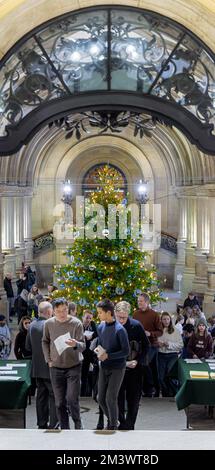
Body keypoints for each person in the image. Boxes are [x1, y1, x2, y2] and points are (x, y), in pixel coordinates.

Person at [42, 297, 85, 430]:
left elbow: (83, 345)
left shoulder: (76, 323)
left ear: (68, 309)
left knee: (72, 399)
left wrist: (75, 344)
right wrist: (48, 360)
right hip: (55, 367)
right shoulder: (48, 324)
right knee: (59, 402)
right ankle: (65, 428)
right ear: (53, 311)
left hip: (74, 366)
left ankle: (78, 424)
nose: (62, 313)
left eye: (65, 310)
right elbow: (45, 341)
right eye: (59, 311)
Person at [115, 301, 150, 430]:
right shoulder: (111, 326)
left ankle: (130, 425)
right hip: (117, 369)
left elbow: (146, 346)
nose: (122, 320)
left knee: (133, 399)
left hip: (135, 369)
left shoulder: (136, 326)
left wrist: (139, 360)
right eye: (119, 317)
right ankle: (121, 422)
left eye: (124, 317)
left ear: (128, 314)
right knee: (117, 397)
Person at [96, 298, 129, 430]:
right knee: (100, 398)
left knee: (110, 398)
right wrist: (99, 350)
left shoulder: (120, 330)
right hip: (104, 366)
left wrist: (109, 355)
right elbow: (101, 343)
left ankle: (113, 425)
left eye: (100, 312)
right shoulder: (100, 326)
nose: (98, 315)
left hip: (117, 368)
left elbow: (126, 351)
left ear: (108, 313)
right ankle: (112, 419)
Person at [25, 301, 58, 430]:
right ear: (49, 312)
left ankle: (41, 422)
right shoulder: (50, 325)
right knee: (53, 396)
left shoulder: (32, 325)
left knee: (40, 396)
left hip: (37, 368)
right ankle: (54, 423)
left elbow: (28, 347)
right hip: (50, 366)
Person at [133, 293, 163, 397]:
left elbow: (160, 331)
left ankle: (150, 388)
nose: (139, 303)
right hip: (138, 345)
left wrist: (150, 333)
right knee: (138, 365)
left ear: (147, 302)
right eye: (138, 301)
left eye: (141, 301)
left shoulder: (154, 315)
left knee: (144, 363)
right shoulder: (135, 314)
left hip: (151, 345)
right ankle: (140, 388)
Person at [158, 312, 183, 397]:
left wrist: (169, 344)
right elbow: (153, 342)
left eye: (168, 319)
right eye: (164, 319)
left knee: (170, 374)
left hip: (172, 355)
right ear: (161, 320)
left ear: (170, 320)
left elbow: (180, 345)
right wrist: (158, 344)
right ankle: (166, 394)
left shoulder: (175, 331)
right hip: (160, 355)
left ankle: (173, 393)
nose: (166, 321)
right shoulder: (158, 330)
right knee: (160, 377)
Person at [81, 310, 97, 397]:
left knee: (95, 371)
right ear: (83, 317)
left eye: (90, 318)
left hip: (91, 352)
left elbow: (97, 334)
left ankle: (94, 392)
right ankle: (82, 394)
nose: (88, 320)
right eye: (87, 317)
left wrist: (92, 336)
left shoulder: (93, 324)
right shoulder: (80, 325)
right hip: (82, 352)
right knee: (83, 374)